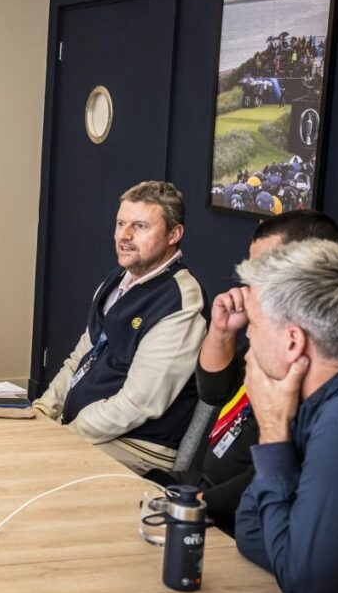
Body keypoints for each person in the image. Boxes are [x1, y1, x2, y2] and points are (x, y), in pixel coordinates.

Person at [233, 239, 338, 593]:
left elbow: (304, 584)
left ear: (293, 341)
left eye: (253, 324)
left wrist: (273, 432)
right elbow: (250, 527)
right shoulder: (321, 396)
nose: (247, 336)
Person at [184, 210, 338, 536]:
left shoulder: (324, 358)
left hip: (236, 518)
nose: (249, 281)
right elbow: (213, 392)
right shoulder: (269, 327)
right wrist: (222, 331)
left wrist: (197, 505)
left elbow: (278, 469)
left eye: (262, 270)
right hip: (205, 488)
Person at [32, 181, 207, 474]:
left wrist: (64, 437)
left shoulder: (180, 303)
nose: (124, 236)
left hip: (133, 447)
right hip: (82, 431)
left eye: (140, 226)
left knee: (30, 469)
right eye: (121, 223)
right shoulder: (117, 281)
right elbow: (79, 359)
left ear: (174, 234)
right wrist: (42, 411)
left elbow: (138, 404)